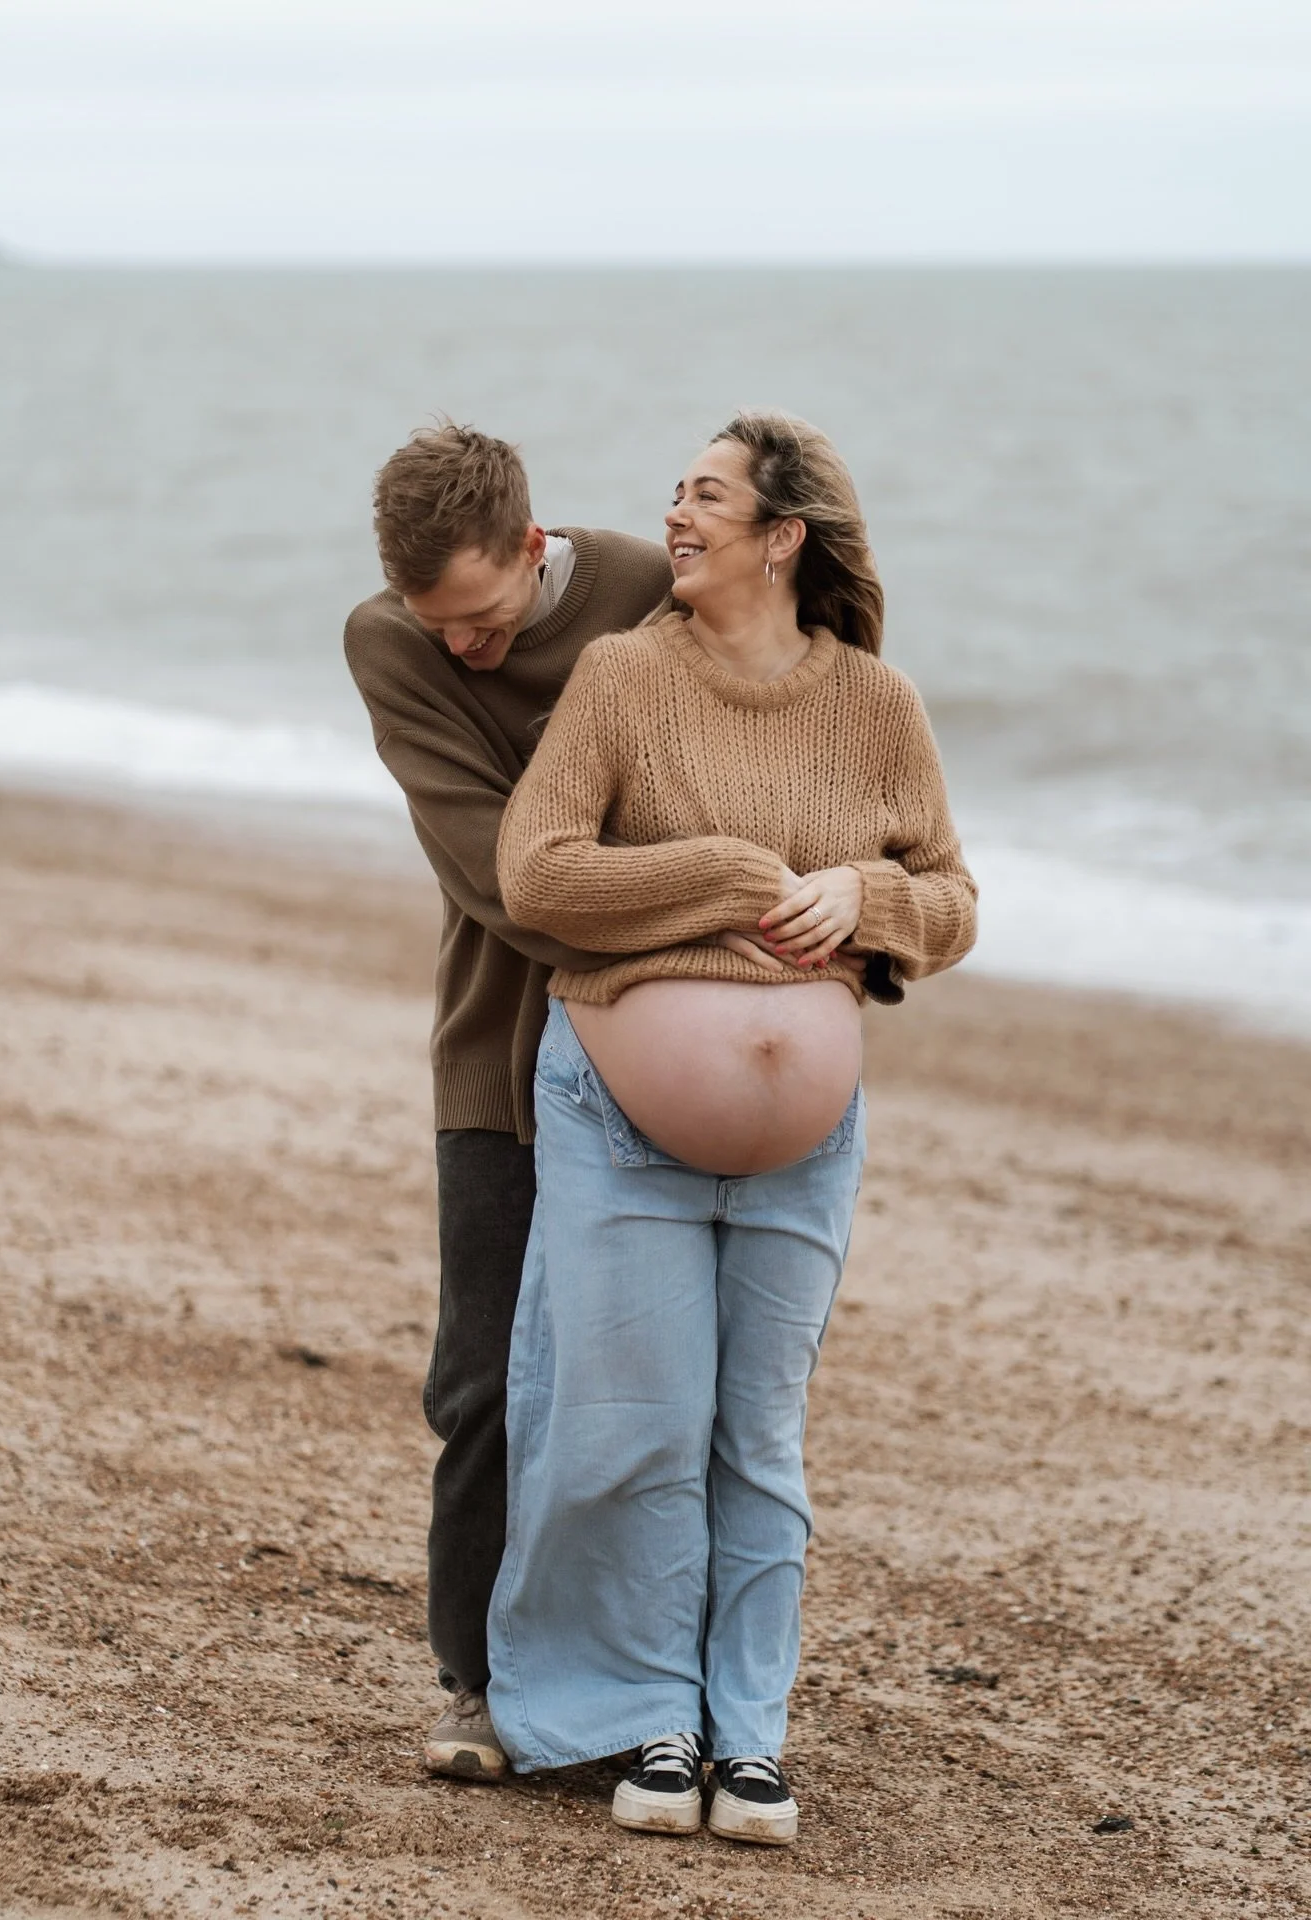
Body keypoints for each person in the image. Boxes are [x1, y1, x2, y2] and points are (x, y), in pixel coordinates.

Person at [489, 411, 977, 1845]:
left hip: (801, 1143)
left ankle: (748, 1739)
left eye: (705, 498)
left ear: (784, 536)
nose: (674, 518)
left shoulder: (876, 704)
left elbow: (950, 898)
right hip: (620, 1121)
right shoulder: (623, 676)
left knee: (757, 1440)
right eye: (676, 495)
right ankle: (646, 1716)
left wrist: (863, 902)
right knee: (634, 1427)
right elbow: (539, 875)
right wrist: (733, 875)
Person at [341, 423, 672, 1780]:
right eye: (443, 628)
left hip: (655, 1050)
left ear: (534, 551)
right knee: (482, 1385)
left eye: (483, 623)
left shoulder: (655, 589)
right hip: (495, 1055)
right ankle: (475, 1684)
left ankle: (637, 1688)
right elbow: (506, 881)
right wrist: (701, 904)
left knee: (637, 1389)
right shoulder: (390, 643)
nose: (464, 650)